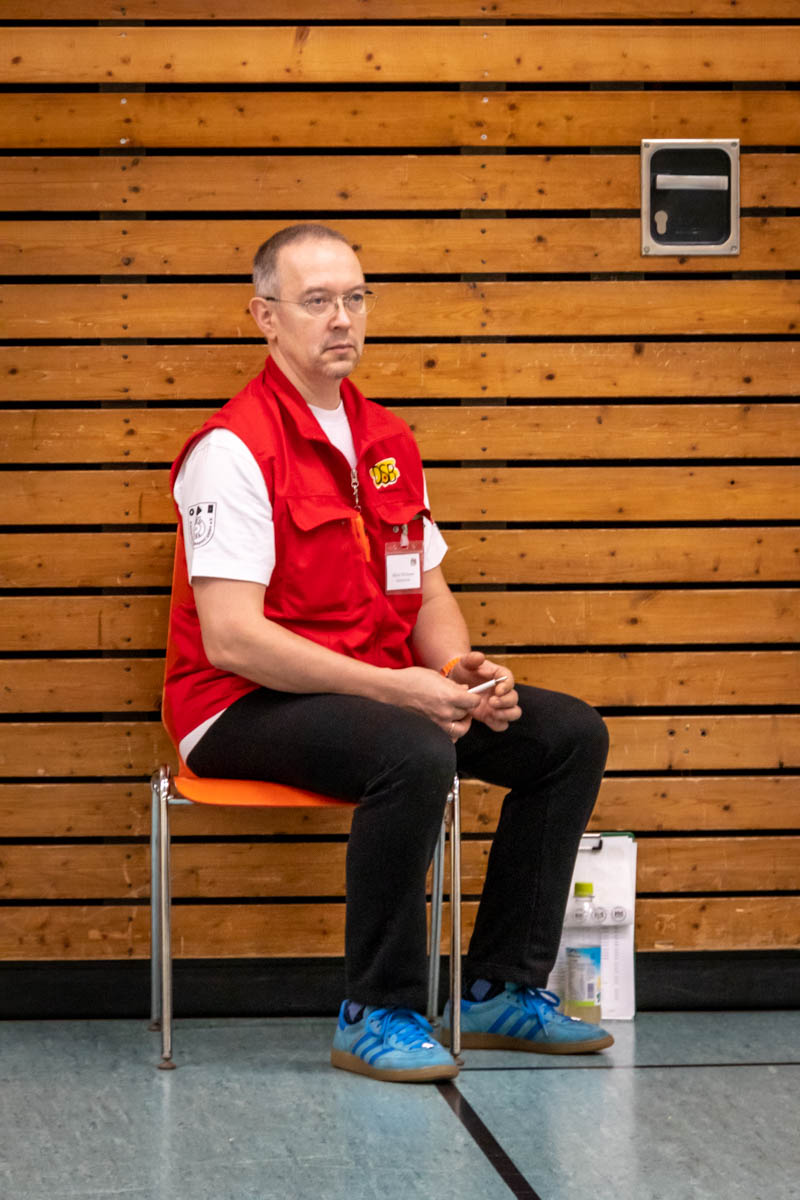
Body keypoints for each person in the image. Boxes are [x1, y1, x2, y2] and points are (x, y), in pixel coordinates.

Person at [163, 222, 612, 1084]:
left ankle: (497, 990)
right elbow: (232, 638)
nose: (342, 318)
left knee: (566, 736)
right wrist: (401, 693)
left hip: (375, 691)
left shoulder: (387, 442)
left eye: (355, 298)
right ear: (265, 317)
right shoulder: (233, 449)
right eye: (317, 300)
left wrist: (458, 674)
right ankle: (378, 1009)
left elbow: (426, 592)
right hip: (236, 705)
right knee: (411, 750)